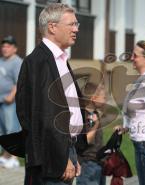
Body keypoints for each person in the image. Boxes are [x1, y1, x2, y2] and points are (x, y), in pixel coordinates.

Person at [16, 3, 85, 185]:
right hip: (52, 157)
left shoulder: (59, 59)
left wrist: (73, 151)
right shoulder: (40, 61)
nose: (76, 29)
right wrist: (60, 158)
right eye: (71, 24)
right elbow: (43, 116)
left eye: (76, 24)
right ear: (52, 27)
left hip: (65, 149)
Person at [115, 40, 145, 185]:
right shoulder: (143, 79)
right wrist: (125, 127)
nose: (132, 58)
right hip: (139, 142)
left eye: (135, 55)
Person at [76, 83, 106, 185]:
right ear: (94, 98)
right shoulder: (83, 116)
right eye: (103, 97)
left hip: (98, 162)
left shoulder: (95, 114)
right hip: (88, 163)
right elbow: (86, 139)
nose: (105, 100)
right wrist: (96, 123)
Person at [0, 35, 22, 168]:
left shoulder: (17, 62)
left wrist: (11, 96)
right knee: (2, 130)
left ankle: (13, 158)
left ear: (15, 49)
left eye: (8, 46)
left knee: (11, 130)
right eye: (3, 46)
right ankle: (4, 157)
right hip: (0, 100)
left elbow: (19, 81)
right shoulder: (1, 61)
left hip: (10, 102)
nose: (4, 48)